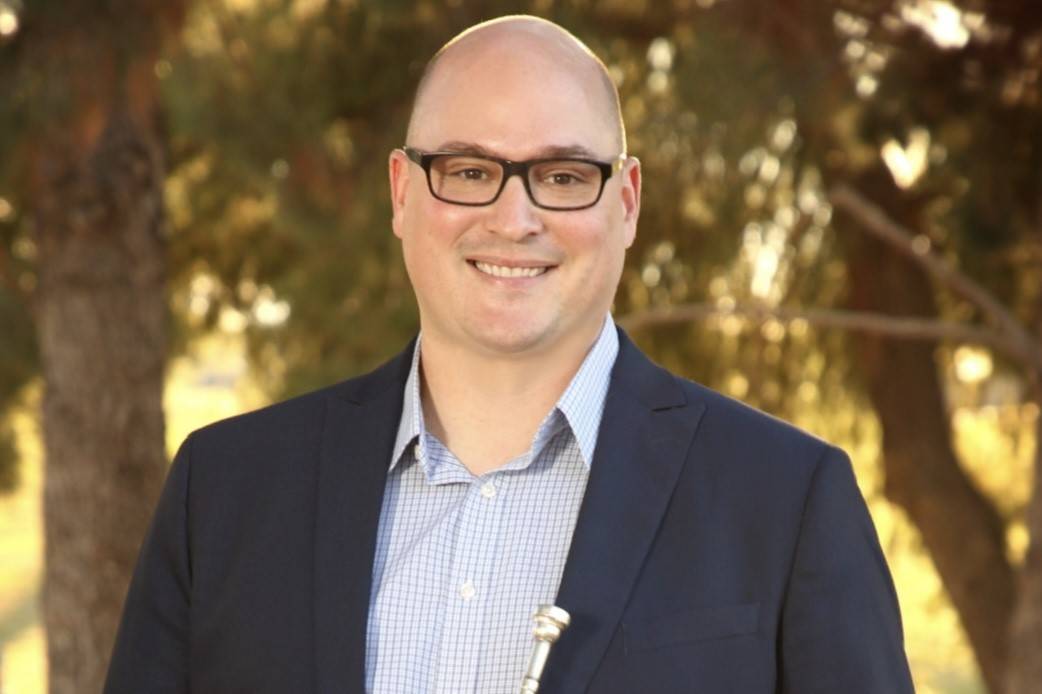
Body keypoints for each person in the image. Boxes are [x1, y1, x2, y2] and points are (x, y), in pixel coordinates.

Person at [104, 15, 915, 694]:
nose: (514, 218)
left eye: (562, 177)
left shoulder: (787, 503)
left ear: (627, 202)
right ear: (401, 192)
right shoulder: (224, 493)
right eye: (468, 171)